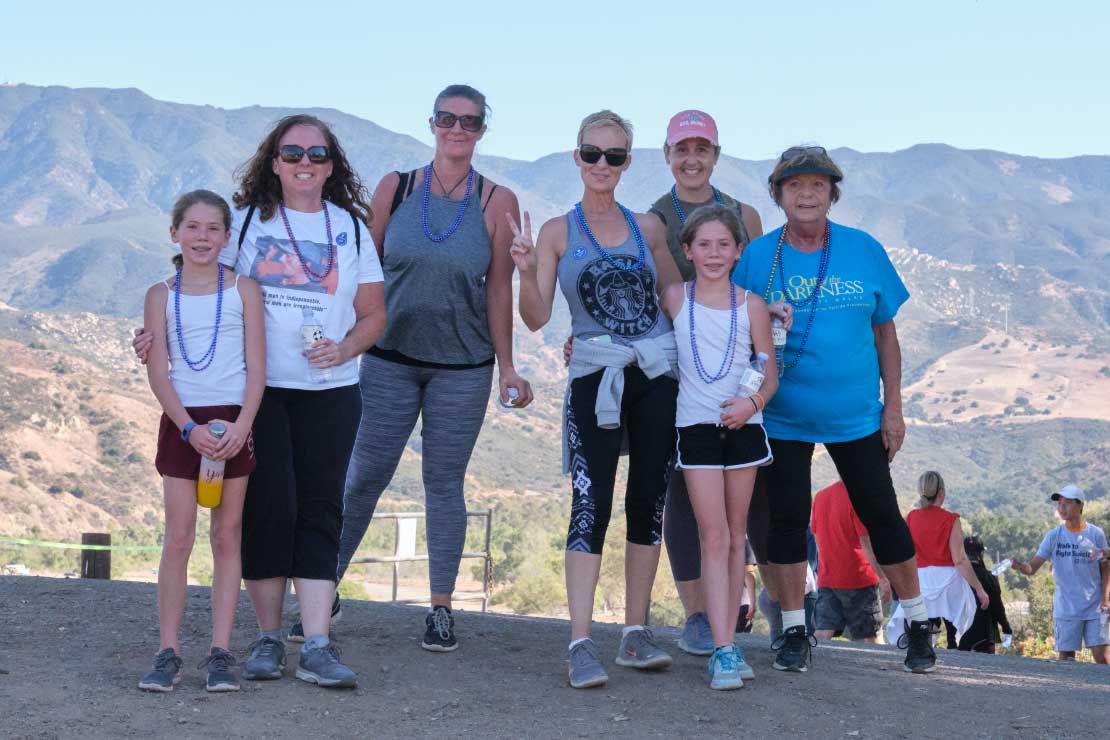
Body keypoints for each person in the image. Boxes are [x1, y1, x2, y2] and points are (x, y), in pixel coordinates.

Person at [134, 114, 387, 688]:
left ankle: (318, 642)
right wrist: (153, 337)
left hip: (330, 391)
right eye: (292, 153)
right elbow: (196, 293)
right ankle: (269, 638)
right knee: (269, 512)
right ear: (273, 162)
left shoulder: (349, 225)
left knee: (323, 508)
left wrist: (345, 348)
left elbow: (375, 314)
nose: (305, 163)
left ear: (331, 165)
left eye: (316, 155)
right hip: (256, 393)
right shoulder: (243, 223)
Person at [328, 84, 533, 652]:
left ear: (482, 130)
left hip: (464, 366)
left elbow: (498, 288)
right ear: (432, 122)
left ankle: (440, 607)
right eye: (448, 118)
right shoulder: (397, 188)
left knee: (443, 483)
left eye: (469, 122)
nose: (457, 129)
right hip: (389, 358)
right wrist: (338, 339)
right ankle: (324, 591)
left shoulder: (498, 201)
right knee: (363, 476)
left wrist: (509, 368)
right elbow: (361, 271)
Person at [731, 145, 937, 674]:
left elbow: (885, 333)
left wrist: (894, 406)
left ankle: (917, 624)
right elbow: (733, 330)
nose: (806, 194)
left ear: (831, 194)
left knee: (883, 517)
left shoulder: (863, 249)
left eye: (817, 185)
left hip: (856, 416)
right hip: (781, 414)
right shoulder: (758, 256)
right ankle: (795, 631)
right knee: (786, 521)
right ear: (778, 195)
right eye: (795, 185)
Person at [512, 110, 682, 689]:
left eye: (613, 156)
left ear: (628, 162)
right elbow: (535, 317)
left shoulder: (649, 228)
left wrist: (742, 320)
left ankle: (634, 633)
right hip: (595, 376)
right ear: (577, 157)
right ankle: (580, 642)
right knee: (591, 504)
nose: (601, 165)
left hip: (656, 374)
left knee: (648, 502)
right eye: (592, 154)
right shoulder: (558, 232)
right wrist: (527, 270)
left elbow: (673, 297)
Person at [644, 110, 769, 657]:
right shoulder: (653, 218)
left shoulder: (745, 215)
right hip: (678, 376)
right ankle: (697, 614)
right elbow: (643, 296)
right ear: (668, 155)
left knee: (736, 518)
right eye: (681, 149)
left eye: (702, 148)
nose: (692, 158)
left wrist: (757, 388)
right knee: (679, 496)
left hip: (742, 386)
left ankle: (744, 616)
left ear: (716, 154)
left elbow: (759, 291)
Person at [138, 190, 264, 693]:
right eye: (192, 227)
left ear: (227, 238)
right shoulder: (158, 296)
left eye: (214, 229)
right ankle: (168, 650)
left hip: (235, 423)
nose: (202, 237)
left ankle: (220, 652)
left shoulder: (244, 291)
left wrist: (241, 427)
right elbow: (158, 371)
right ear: (174, 233)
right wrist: (187, 427)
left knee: (227, 535)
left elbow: (258, 370)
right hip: (182, 422)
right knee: (179, 536)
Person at [660, 203, 777, 689]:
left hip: (744, 427)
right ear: (687, 250)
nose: (713, 253)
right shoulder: (674, 297)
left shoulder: (751, 304)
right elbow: (639, 333)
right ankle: (722, 650)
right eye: (703, 245)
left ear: (738, 251)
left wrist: (751, 403)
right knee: (713, 536)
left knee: (735, 537)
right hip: (696, 428)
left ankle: (730, 641)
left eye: (723, 245)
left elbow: (769, 369)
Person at [886, 472, 989, 646]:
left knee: (923, 622)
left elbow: (902, 554)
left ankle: (924, 647)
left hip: (919, 581)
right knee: (960, 611)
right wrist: (979, 588)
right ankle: (954, 645)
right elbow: (960, 560)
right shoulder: (951, 520)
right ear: (941, 492)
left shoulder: (911, 518)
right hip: (948, 582)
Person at [1013, 485, 1110, 663]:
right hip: (1066, 608)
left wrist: (1105, 599)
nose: (1061, 507)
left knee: (1102, 657)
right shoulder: (1054, 536)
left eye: (1067, 503)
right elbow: (1032, 568)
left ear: (1080, 506)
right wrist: (1019, 566)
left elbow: (1105, 569)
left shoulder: (1095, 534)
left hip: (1096, 608)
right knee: (1066, 659)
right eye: (1059, 503)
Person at [811, 480, 889, 643]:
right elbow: (866, 543)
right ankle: (880, 668)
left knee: (823, 632)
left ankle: (809, 664)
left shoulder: (821, 496)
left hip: (828, 577)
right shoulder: (859, 497)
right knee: (872, 635)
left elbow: (818, 537)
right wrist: (883, 578)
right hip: (860, 578)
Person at [954, 536, 1013, 653]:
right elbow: (997, 607)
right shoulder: (989, 577)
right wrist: (1006, 628)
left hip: (960, 634)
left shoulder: (955, 576)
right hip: (984, 635)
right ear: (981, 553)